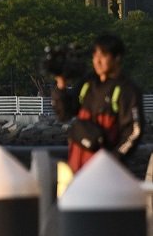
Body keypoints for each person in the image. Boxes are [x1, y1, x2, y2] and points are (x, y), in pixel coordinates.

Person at [52, 33, 144, 173]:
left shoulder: (127, 90)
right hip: (76, 170)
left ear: (117, 58)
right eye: (95, 56)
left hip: (106, 175)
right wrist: (61, 84)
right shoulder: (89, 82)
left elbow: (135, 131)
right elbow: (64, 114)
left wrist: (114, 159)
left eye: (103, 56)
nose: (97, 61)